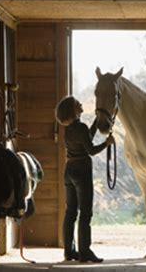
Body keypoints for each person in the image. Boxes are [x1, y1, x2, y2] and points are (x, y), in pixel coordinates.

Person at [55, 96, 114, 263]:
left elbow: (86, 137)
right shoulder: (80, 127)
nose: (80, 104)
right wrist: (107, 143)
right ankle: (85, 251)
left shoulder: (70, 129)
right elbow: (91, 150)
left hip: (69, 171)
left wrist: (97, 120)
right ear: (73, 110)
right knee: (85, 213)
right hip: (82, 171)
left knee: (71, 211)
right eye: (77, 104)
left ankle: (69, 251)